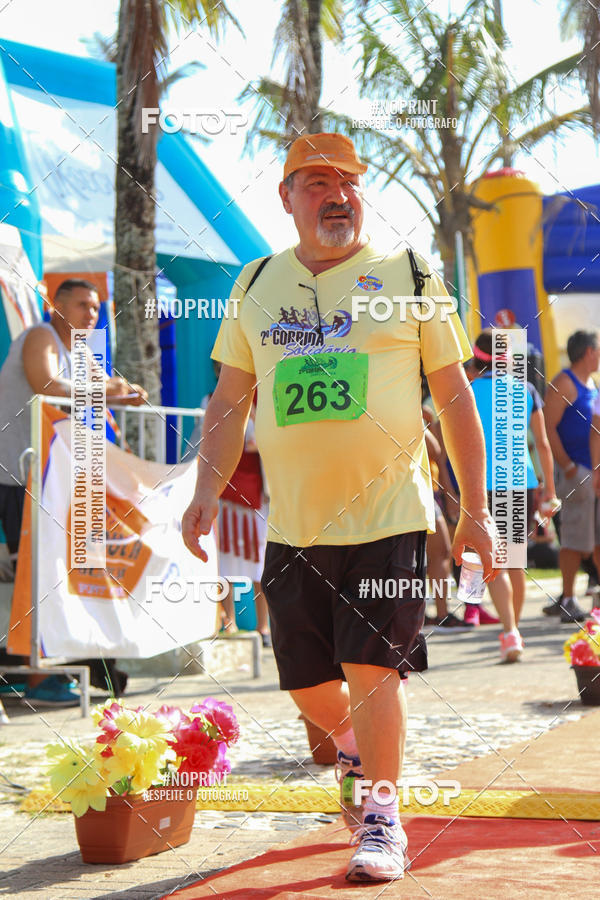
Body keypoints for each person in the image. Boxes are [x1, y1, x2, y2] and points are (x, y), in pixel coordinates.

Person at [182, 133, 496, 884]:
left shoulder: (408, 273)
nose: (337, 195)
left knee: (372, 668)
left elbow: (454, 395)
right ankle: (355, 751)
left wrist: (476, 509)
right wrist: (203, 490)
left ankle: (383, 818)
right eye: (317, 182)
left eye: (349, 181)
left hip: (390, 514)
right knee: (306, 685)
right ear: (287, 197)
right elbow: (229, 400)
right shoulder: (256, 281)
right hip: (294, 524)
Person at [0, 278, 147, 706]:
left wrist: (126, 395)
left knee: (54, 571)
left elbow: (107, 387)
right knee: (34, 572)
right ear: (57, 305)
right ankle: (34, 677)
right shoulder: (41, 336)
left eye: (96, 307)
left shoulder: (82, 351)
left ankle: (41, 669)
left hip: (50, 479)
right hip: (18, 472)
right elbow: (47, 384)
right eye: (83, 305)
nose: (91, 314)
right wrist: (110, 391)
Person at [468, 331, 559, 655]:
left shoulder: (468, 391)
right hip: (521, 482)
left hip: (482, 486)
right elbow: (543, 444)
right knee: (516, 561)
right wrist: (550, 489)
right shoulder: (527, 389)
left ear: (477, 358)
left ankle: (510, 630)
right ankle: (513, 631)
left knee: (495, 562)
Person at [543, 330, 600, 622]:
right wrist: (567, 467)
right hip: (577, 473)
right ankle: (567, 598)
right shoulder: (564, 382)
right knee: (575, 538)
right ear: (589, 352)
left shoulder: (591, 383)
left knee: (592, 539)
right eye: (598, 350)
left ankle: (572, 597)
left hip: (592, 473)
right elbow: (547, 426)